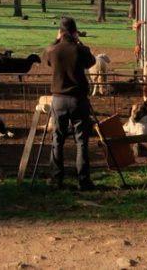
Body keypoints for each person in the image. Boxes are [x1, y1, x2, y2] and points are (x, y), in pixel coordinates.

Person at [44, 16, 96, 191]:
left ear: (60, 32)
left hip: (58, 99)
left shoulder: (52, 50)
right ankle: (83, 180)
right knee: (81, 141)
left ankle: (56, 178)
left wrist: (57, 39)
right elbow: (92, 62)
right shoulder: (81, 50)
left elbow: (48, 59)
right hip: (78, 100)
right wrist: (78, 42)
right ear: (74, 32)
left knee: (57, 139)